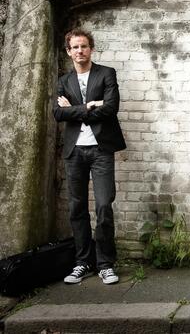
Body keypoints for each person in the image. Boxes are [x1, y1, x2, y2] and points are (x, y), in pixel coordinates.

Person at [53, 28, 126, 285]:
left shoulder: (106, 74)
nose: (80, 51)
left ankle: (105, 263)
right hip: (75, 152)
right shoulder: (64, 81)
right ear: (69, 51)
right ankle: (82, 262)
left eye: (84, 46)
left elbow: (110, 108)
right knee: (77, 207)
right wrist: (87, 106)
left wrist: (73, 109)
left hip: (101, 149)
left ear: (90, 48)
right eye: (75, 47)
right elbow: (57, 114)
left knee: (104, 204)